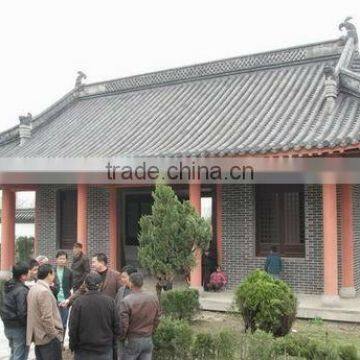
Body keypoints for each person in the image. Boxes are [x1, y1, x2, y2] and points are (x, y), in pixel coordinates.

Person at [69, 272, 120, 360]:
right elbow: (117, 327)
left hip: (83, 350)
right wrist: (114, 345)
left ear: (85, 285)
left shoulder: (78, 303)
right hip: (105, 349)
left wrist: (72, 345)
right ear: (101, 284)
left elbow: (73, 327)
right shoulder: (110, 302)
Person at [119, 272, 161, 360]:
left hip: (133, 339)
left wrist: (121, 338)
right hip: (148, 339)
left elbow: (124, 325)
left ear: (131, 283)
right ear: (142, 283)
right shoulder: (153, 298)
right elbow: (157, 319)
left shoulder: (126, 301)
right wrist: (151, 331)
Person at [26, 263, 63, 360]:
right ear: (49, 274)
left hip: (39, 337)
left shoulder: (33, 288)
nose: (54, 276)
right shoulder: (44, 291)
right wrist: (54, 336)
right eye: (53, 273)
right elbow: (47, 317)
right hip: (47, 338)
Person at [0, 262, 30, 360]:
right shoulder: (22, 290)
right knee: (20, 355)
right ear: (23, 276)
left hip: (8, 325)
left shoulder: (8, 286)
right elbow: (22, 312)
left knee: (14, 353)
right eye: (28, 272)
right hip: (18, 328)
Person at [115, 265, 137, 360]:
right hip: (120, 331)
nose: (122, 279)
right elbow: (116, 308)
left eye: (124, 277)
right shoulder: (121, 290)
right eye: (121, 277)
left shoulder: (138, 292)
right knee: (120, 355)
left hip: (133, 332)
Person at [54, 251, 73, 334]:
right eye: (60, 258)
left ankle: (61, 343)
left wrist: (68, 299)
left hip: (65, 300)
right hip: (54, 300)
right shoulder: (52, 270)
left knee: (64, 323)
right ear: (56, 259)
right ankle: (56, 343)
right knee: (54, 323)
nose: (62, 261)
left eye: (64, 259)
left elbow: (71, 286)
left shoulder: (69, 272)